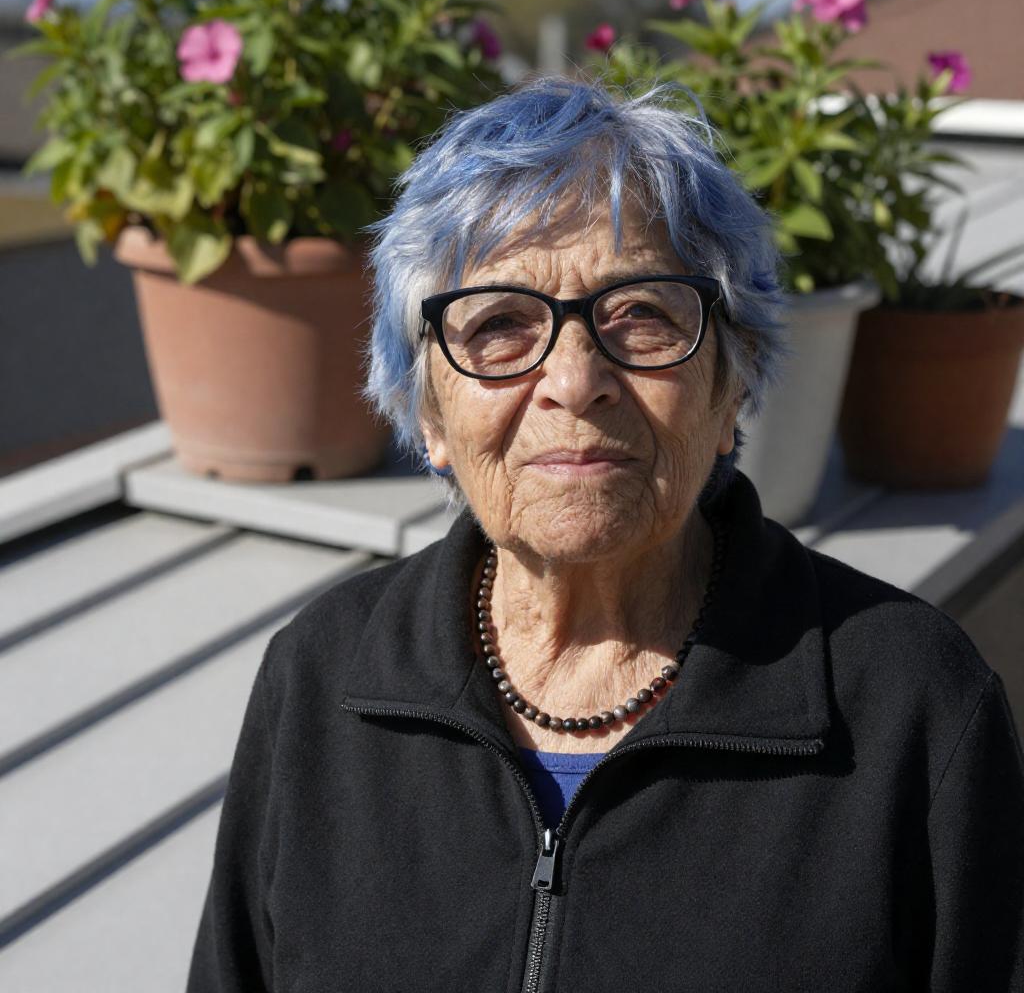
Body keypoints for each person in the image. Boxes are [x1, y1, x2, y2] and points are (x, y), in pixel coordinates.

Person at [186, 78, 1024, 993]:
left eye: (643, 313)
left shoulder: (910, 704)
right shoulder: (323, 678)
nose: (574, 380)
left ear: (732, 384)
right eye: (500, 324)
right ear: (428, 413)